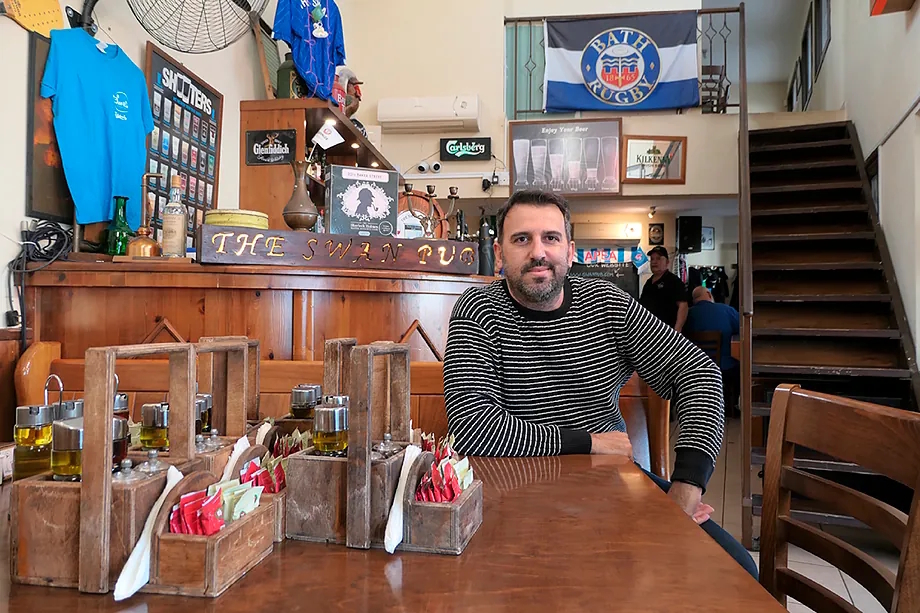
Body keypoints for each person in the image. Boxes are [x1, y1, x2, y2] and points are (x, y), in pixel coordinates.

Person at [443, 189, 757, 579]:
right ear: (500, 251)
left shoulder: (607, 303)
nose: (538, 252)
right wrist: (590, 441)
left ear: (570, 250)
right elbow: (474, 430)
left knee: (737, 570)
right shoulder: (479, 309)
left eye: (551, 238)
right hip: (509, 504)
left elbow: (698, 373)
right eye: (522, 239)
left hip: (610, 493)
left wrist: (687, 489)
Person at [685, 286, 741, 415]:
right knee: (740, 368)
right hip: (725, 366)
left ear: (694, 300)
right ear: (709, 294)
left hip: (696, 368)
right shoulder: (727, 310)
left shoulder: (688, 315)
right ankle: (733, 406)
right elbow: (742, 329)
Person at [640, 247, 689, 332]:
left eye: (658, 258)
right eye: (652, 259)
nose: (654, 262)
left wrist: (677, 330)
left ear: (667, 262)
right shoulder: (648, 283)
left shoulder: (674, 281)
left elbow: (683, 306)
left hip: (666, 332)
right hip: (648, 332)